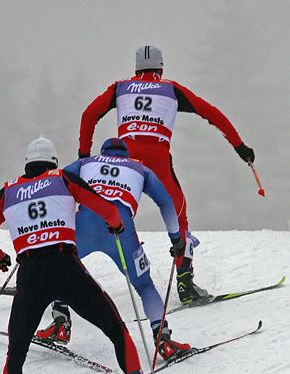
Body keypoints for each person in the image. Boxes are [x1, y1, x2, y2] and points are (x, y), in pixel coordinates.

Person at [0, 136, 178, 374]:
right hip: (67, 268)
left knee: (16, 353)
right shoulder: (63, 179)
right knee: (116, 330)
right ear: (53, 162)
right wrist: (115, 225)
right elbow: (106, 210)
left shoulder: (8, 192)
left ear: (27, 163)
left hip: (30, 274)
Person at [78, 45, 255, 304]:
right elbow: (212, 114)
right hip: (158, 160)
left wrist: (85, 156)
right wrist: (240, 147)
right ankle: (185, 283)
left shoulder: (120, 87)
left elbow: (89, 114)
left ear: (136, 69)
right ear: (161, 68)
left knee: (107, 210)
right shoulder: (172, 88)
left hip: (127, 160)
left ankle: (60, 272)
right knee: (177, 213)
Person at [36, 137, 192, 361]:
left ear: (103, 152)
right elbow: (166, 201)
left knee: (61, 270)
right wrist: (176, 238)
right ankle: (163, 339)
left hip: (85, 224)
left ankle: (60, 324)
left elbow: (55, 182)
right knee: (144, 285)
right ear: (126, 156)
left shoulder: (87, 162)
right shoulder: (140, 167)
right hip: (120, 229)